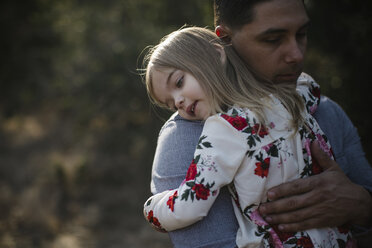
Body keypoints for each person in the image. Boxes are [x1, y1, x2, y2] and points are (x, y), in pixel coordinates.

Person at [149, 0, 372, 247]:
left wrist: (362, 204)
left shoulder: (323, 109)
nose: (296, 55)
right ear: (224, 42)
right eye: (273, 39)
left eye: (302, 34)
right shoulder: (184, 137)